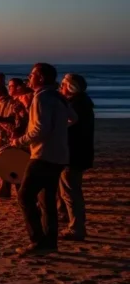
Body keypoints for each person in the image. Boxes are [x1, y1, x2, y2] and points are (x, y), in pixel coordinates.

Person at [12, 63, 76, 257]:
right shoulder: (58, 96)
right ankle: (50, 242)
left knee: (24, 196)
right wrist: (59, 131)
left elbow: (39, 129)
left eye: (31, 75)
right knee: (46, 200)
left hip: (42, 155)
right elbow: (73, 118)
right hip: (59, 155)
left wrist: (20, 141)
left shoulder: (41, 98)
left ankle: (38, 240)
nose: (28, 78)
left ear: (40, 78)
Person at [59, 73, 94, 241]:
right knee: (71, 190)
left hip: (73, 154)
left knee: (71, 192)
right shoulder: (82, 103)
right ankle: (75, 224)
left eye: (64, 85)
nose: (61, 88)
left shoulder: (76, 105)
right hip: (78, 152)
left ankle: (76, 227)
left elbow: (69, 128)